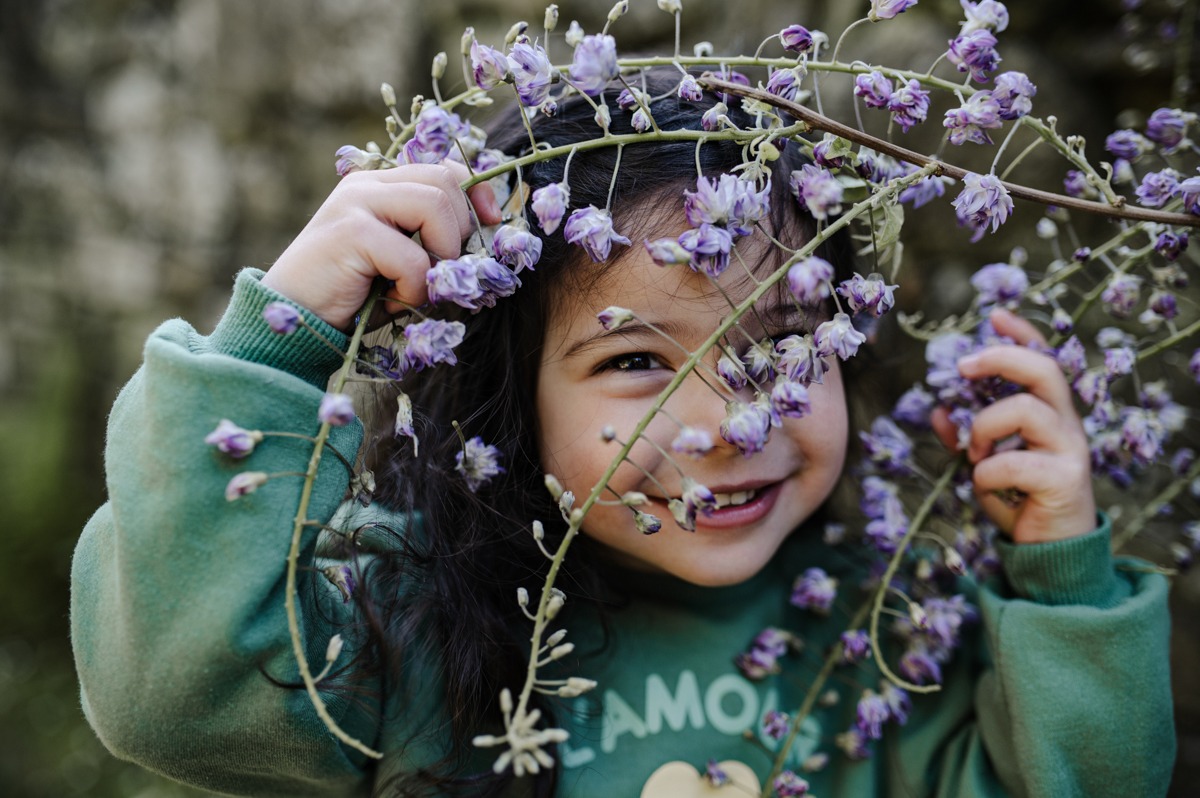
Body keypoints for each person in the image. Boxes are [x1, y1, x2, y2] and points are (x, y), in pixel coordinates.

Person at [72, 69, 1174, 797]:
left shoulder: (889, 638)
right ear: (510, 397)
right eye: (637, 361)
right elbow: (173, 693)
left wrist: (1063, 583)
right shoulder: (413, 619)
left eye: (784, 345)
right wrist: (279, 342)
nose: (728, 421)